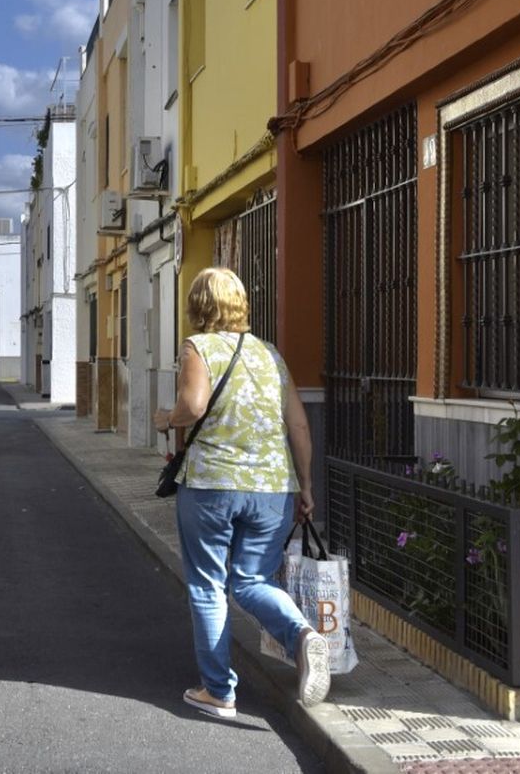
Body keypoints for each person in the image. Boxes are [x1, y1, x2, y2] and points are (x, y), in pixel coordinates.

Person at [153, 267, 330, 719]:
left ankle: (219, 692)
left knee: (208, 584)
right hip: (272, 486)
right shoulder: (270, 354)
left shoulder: (199, 347)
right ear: (241, 304)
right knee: (252, 581)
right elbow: (299, 425)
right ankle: (304, 637)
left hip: (213, 484)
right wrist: (305, 486)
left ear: (197, 305)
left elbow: (192, 407)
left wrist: (165, 419)